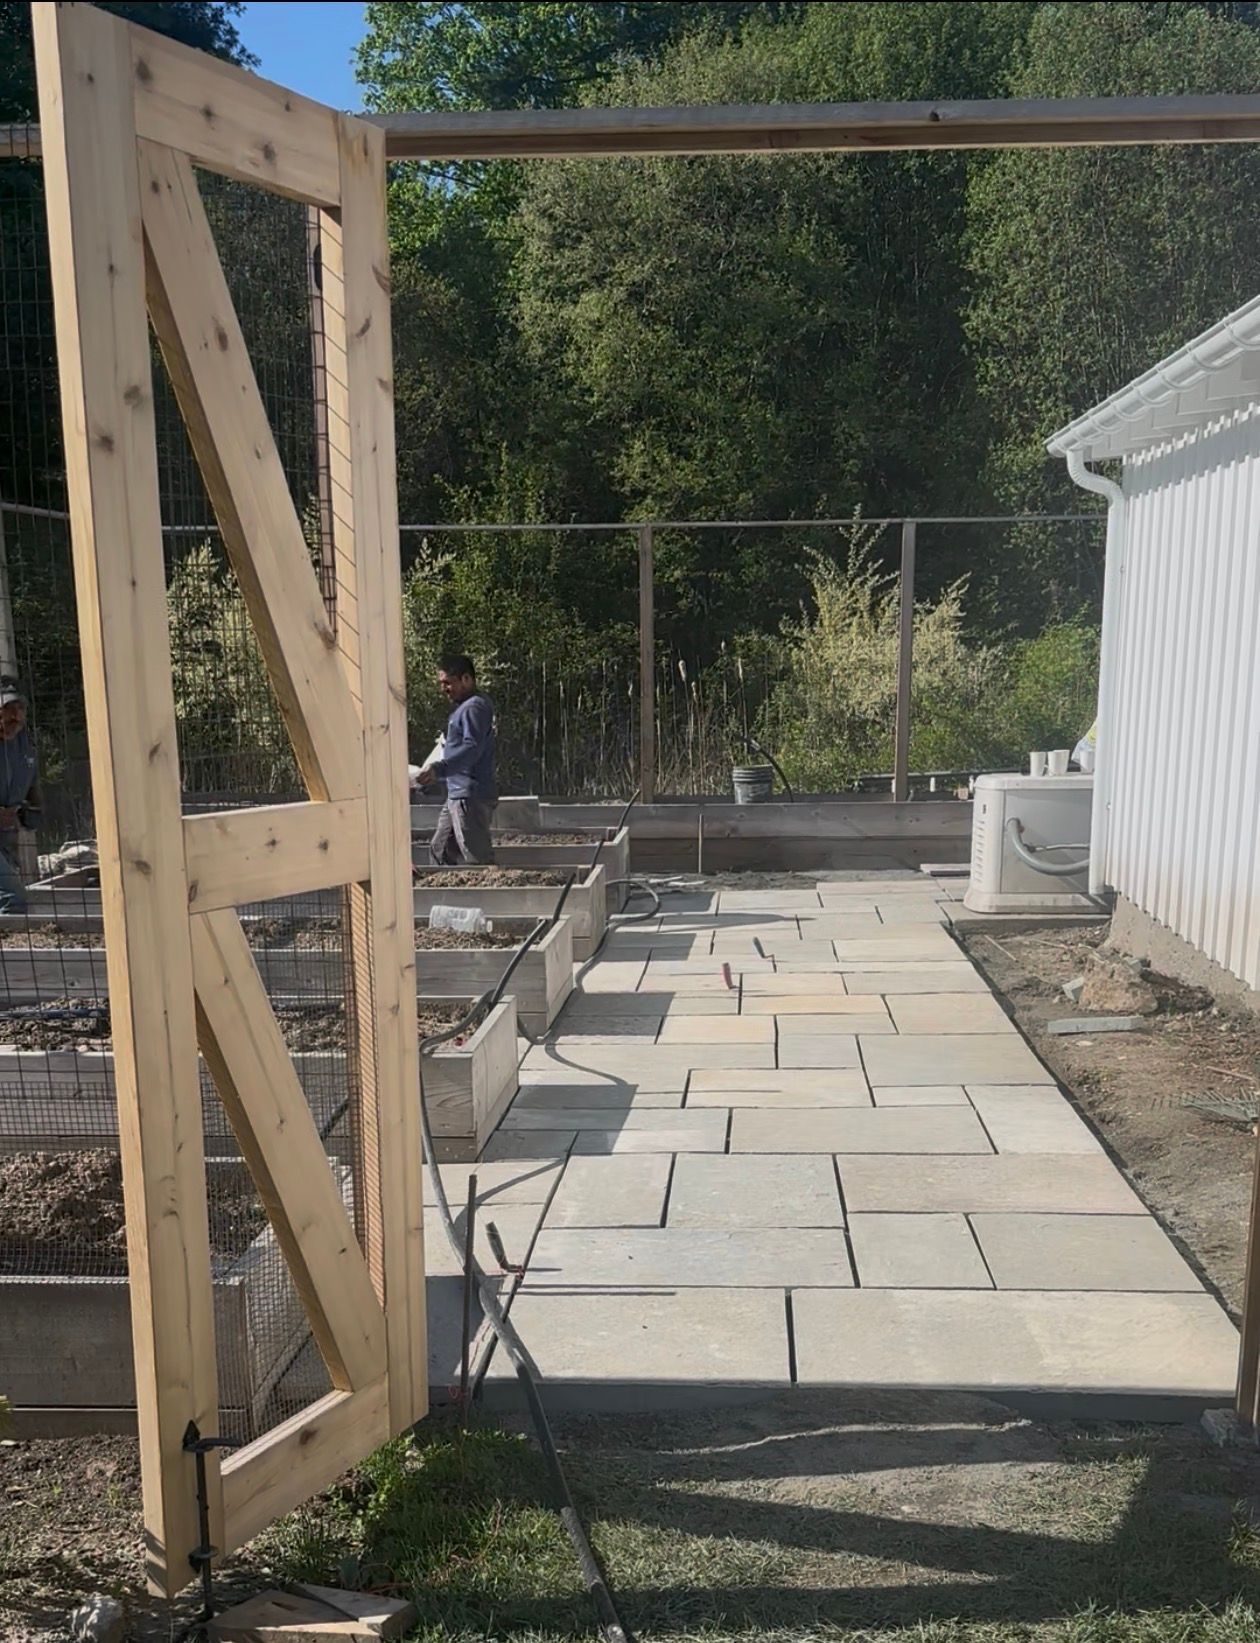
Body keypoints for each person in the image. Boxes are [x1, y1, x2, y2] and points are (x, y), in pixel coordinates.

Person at [416, 654, 497, 866]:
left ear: (467, 679)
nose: (444, 688)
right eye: (441, 683)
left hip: (469, 795)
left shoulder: (473, 707)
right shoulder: (468, 707)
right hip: (458, 793)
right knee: (440, 853)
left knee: (478, 859)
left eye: (448, 683)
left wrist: (440, 769)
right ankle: (444, 897)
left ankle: (491, 898)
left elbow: (472, 748)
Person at [0, 682, 41, 913]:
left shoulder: (24, 746)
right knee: (12, 899)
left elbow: (33, 789)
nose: (15, 715)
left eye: (20, 707)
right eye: (8, 707)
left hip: (6, 839)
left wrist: (28, 813)